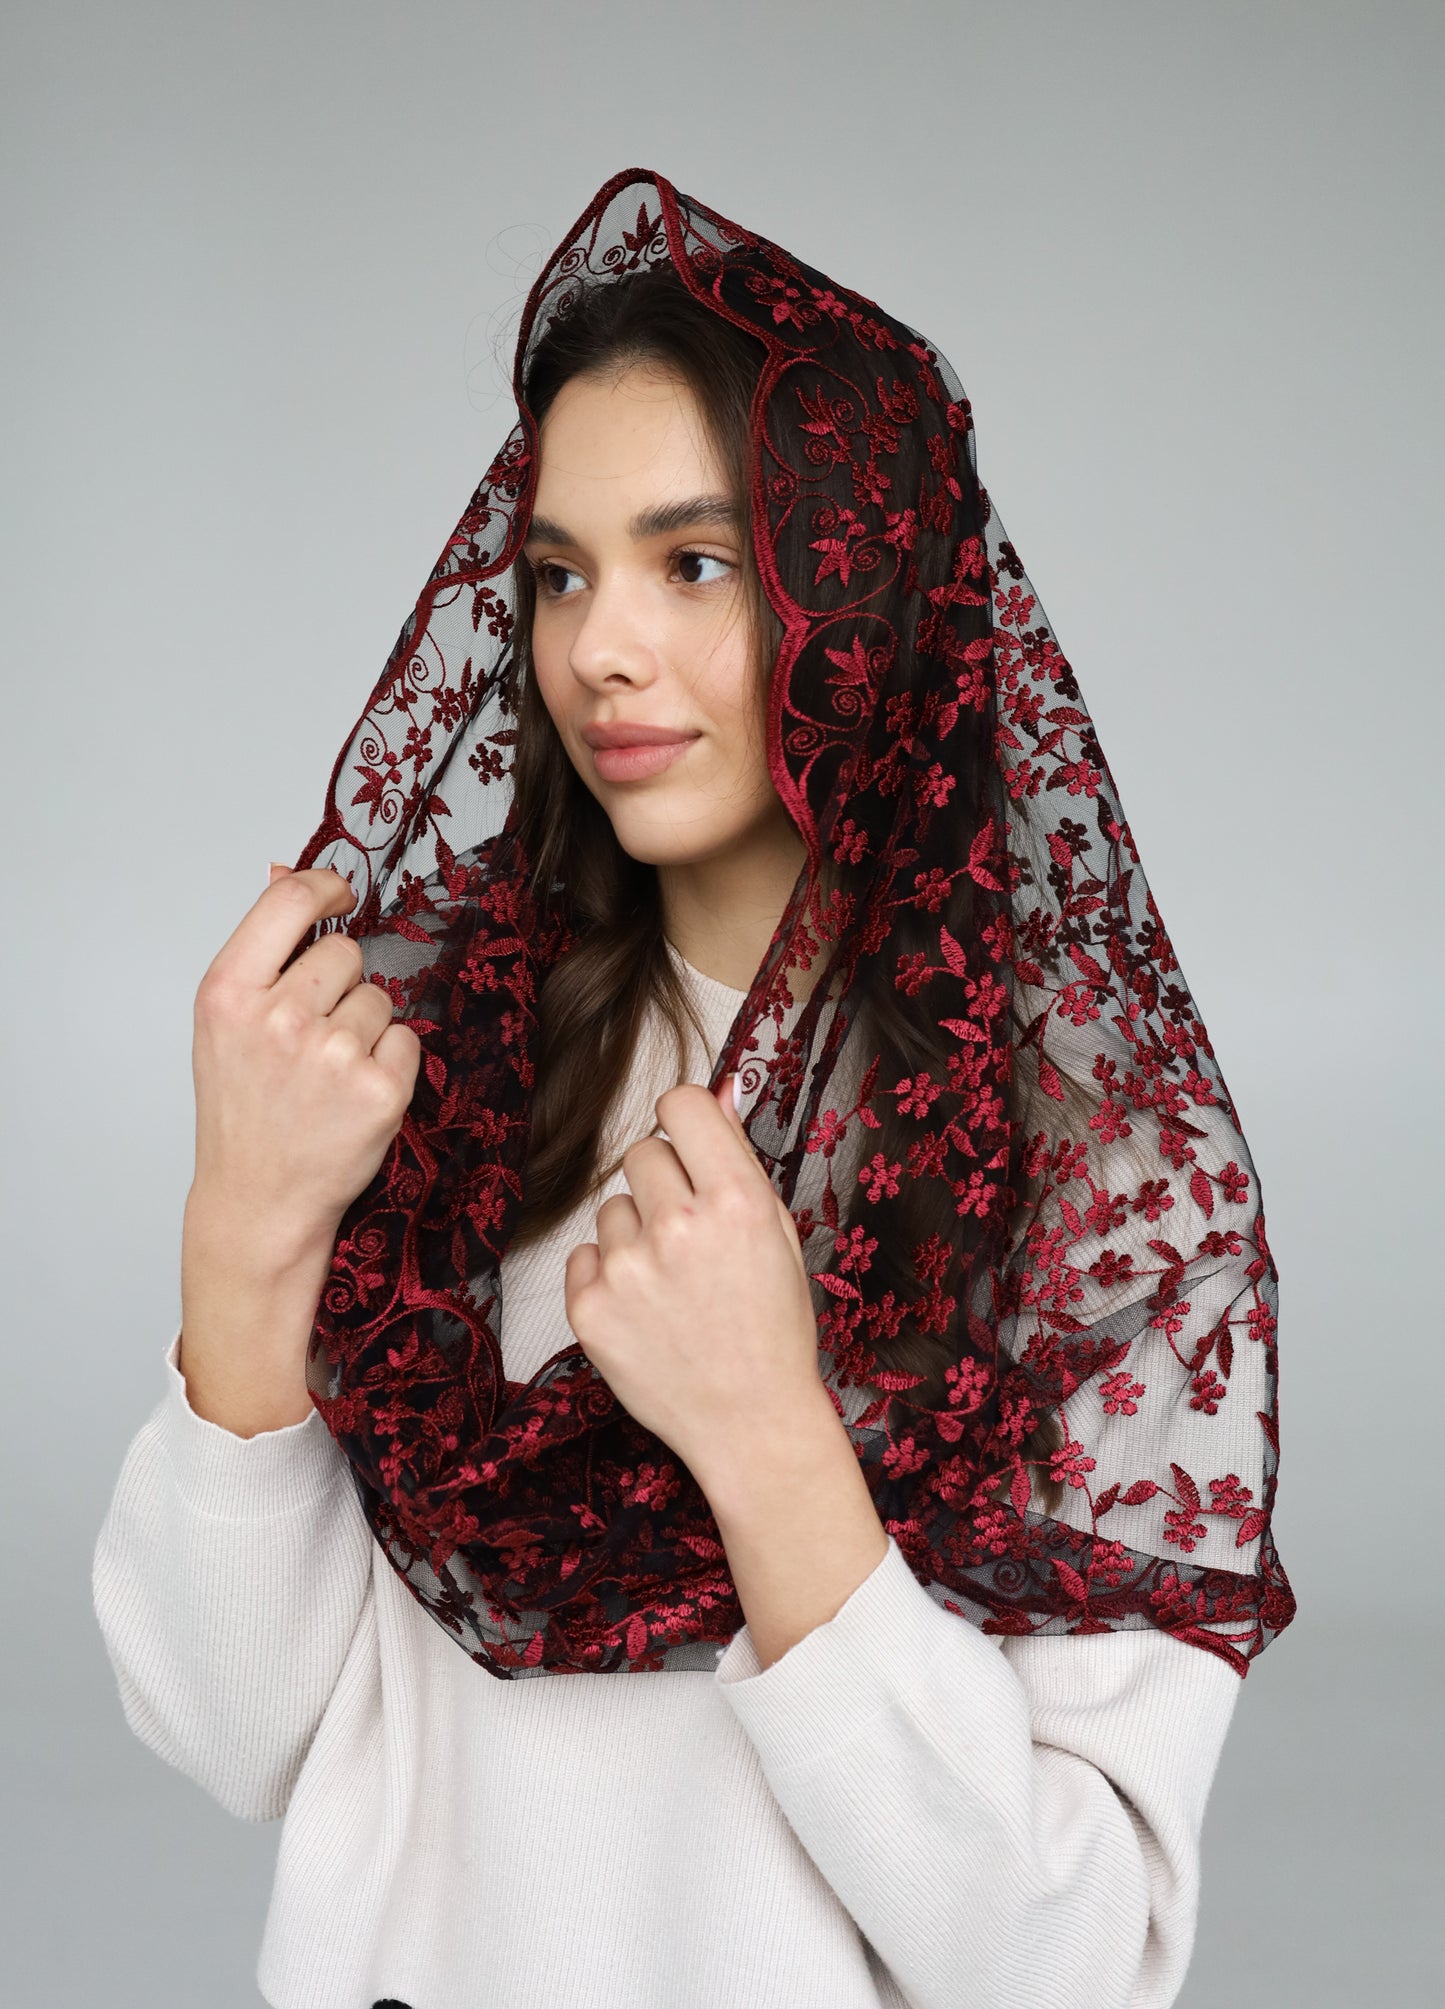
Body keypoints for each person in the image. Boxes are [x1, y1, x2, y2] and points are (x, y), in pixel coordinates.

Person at [93, 169, 1293, 2009]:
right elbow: (228, 1730)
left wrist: (768, 1442)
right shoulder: (435, 1062)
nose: (599, 648)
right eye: (559, 572)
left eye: (697, 563)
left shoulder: (1103, 1188)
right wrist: (242, 1233)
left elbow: (1068, 1958)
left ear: (866, 596)